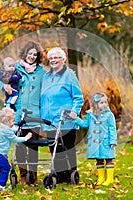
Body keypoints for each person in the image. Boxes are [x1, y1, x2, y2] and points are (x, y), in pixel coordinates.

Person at [0, 41, 46, 185]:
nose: (31, 57)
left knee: (33, 146)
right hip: (17, 114)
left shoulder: (41, 71)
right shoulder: (14, 66)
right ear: (25, 53)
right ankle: (23, 176)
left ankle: (34, 176)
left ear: (38, 57)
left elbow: (51, 82)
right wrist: (5, 86)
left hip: (34, 113)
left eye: (35, 55)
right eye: (29, 53)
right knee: (20, 146)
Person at [40, 47, 84, 183]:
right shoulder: (46, 76)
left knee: (67, 147)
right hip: (49, 119)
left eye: (56, 57)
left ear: (63, 60)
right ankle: (59, 175)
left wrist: (74, 112)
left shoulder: (69, 75)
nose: (53, 60)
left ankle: (71, 173)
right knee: (54, 147)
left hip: (65, 119)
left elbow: (78, 97)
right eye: (51, 58)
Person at [71, 92, 117, 186]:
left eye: (105, 102)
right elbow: (85, 124)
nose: (104, 104)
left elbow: (112, 128)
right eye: (101, 103)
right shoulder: (90, 114)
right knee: (99, 159)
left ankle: (109, 178)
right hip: (95, 141)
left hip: (106, 141)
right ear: (95, 104)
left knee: (108, 159)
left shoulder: (109, 115)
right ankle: (101, 178)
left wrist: (113, 141)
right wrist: (76, 119)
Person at [0, 107, 32, 192]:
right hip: (0, 155)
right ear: (7, 121)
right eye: (12, 121)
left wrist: (17, 127)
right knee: (6, 169)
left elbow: (12, 129)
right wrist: (25, 138)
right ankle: (1, 186)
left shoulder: (3, 127)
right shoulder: (6, 130)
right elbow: (15, 138)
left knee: (3, 169)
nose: (13, 123)